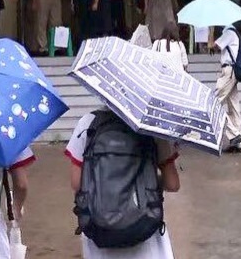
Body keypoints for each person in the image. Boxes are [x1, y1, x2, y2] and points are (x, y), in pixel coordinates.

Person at [65, 111, 180, 259]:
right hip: (144, 230)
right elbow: (172, 184)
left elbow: (76, 183)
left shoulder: (88, 122)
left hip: (99, 230)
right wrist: (148, 181)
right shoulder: (153, 125)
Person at [214, 24, 241, 153]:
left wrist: (209, 33)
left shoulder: (229, 33)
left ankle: (234, 135)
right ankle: (238, 144)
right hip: (232, 72)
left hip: (228, 72)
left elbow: (214, 46)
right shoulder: (234, 33)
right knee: (234, 107)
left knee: (213, 103)